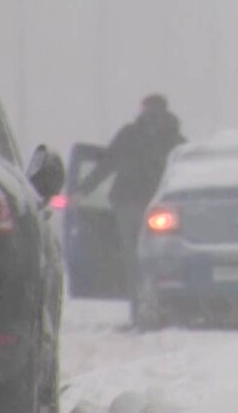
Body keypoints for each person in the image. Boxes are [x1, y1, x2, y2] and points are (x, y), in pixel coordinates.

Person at [77, 94, 185, 311]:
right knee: (159, 252)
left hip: (126, 201)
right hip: (160, 205)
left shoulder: (130, 134)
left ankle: (137, 300)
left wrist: (82, 190)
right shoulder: (175, 139)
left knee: (132, 253)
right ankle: (160, 297)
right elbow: (184, 171)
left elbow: (107, 164)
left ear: (143, 108)